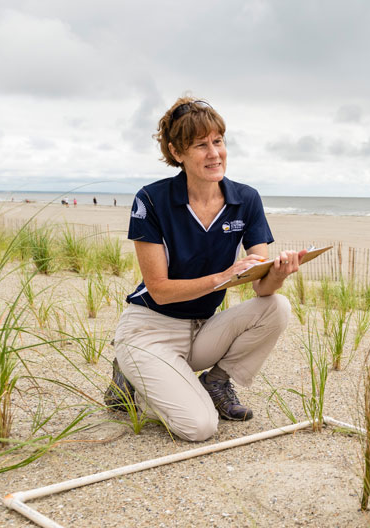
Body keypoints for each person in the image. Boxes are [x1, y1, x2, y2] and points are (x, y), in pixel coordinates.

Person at [104, 96, 303, 442]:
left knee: (277, 306)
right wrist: (224, 277)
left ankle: (215, 382)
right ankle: (130, 380)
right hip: (150, 328)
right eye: (200, 145)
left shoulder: (246, 199)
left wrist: (277, 273)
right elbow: (159, 290)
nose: (214, 153)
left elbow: (261, 288)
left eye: (218, 141)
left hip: (202, 329)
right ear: (176, 152)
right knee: (200, 427)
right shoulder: (151, 200)